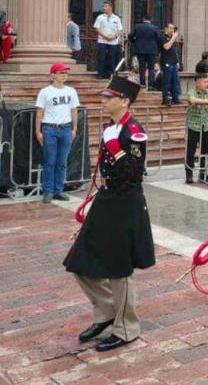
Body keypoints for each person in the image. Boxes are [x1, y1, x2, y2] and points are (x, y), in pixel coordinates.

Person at [63, 77, 154, 351]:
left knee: (118, 268)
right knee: (80, 260)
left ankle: (127, 328)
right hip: (108, 199)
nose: (103, 101)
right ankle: (107, 312)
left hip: (126, 203)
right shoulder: (112, 128)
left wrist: (115, 148)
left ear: (124, 100)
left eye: (108, 97)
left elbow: (135, 174)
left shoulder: (133, 131)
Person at [35, 63, 79, 203]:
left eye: (65, 73)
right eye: (60, 73)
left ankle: (58, 190)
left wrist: (74, 128)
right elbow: (39, 112)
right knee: (50, 161)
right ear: (52, 75)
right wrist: (38, 131)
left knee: (62, 162)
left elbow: (74, 110)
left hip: (65, 128)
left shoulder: (71, 91)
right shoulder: (45, 92)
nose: (64, 75)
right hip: (49, 128)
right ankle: (48, 190)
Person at [185, 73, 208, 184]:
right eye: (205, 81)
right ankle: (189, 174)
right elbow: (192, 100)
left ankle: (203, 173)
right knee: (191, 151)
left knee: (205, 151)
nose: (207, 84)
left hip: (206, 126)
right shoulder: (192, 92)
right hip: (193, 125)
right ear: (197, 82)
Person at [93, 2, 122, 79]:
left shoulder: (116, 18)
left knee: (112, 58)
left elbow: (119, 29)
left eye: (105, 6)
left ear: (110, 8)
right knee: (101, 57)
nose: (103, 8)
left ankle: (111, 73)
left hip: (113, 42)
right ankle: (100, 73)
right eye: (103, 6)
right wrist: (105, 36)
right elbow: (97, 28)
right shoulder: (100, 17)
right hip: (102, 41)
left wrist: (114, 36)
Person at [158, 23, 180, 105]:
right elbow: (166, 47)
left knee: (175, 81)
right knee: (167, 81)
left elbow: (173, 52)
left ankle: (175, 98)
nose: (172, 30)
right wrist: (173, 38)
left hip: (173, 62)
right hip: (167, 62)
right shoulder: (162, 37)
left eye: (173, 28)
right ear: (166, 29)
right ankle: (165, 99)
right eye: (170, 28)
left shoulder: (171, 38)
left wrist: (177, 61)